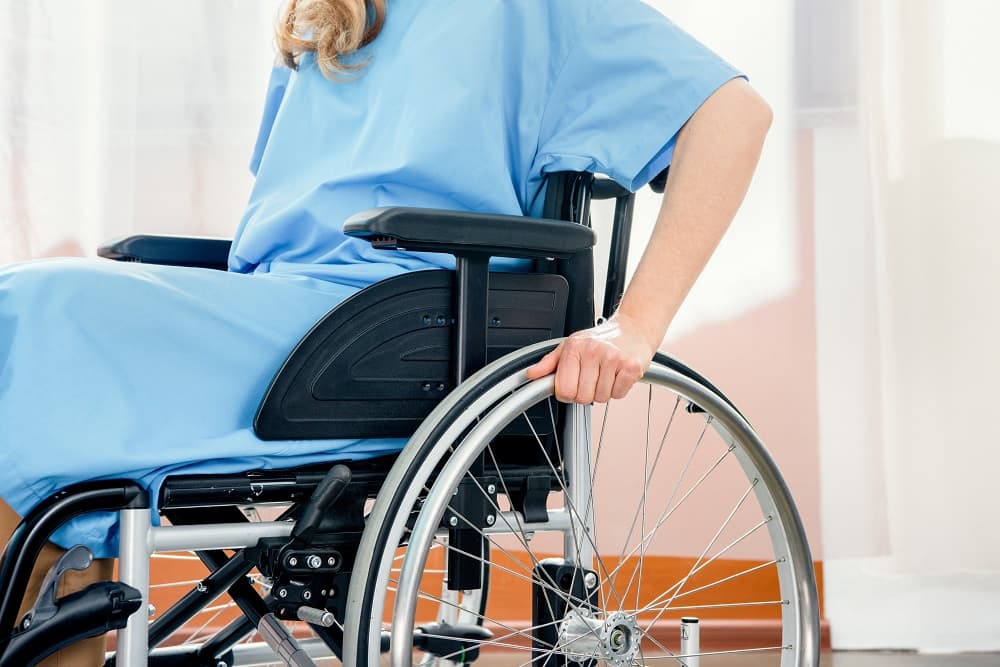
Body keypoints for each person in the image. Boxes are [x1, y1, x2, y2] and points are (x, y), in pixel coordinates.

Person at [0, 0, 771, 663]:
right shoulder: (328, 16)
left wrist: (632, 327)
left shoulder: (532, 10)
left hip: (394, 328)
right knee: (29, 340)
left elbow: (735, 115)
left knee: (37, 306)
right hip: (281, 313)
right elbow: (281, 227)